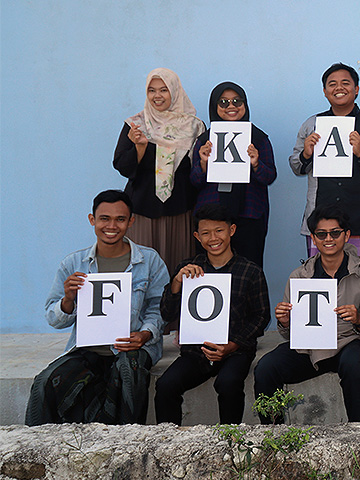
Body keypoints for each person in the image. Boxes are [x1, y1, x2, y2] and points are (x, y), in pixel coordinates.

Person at [26, 190, 169, 425]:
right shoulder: (73, 263)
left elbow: (159, 307)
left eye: (120, 219)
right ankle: (42, 444)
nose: (111, 226)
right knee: (45, 382)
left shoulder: (149, 260)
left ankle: (128, 441)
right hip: (86, 349)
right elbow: (53, 318)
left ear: (131, 221)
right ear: (92, 219)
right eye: (104, 218)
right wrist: (68, 299)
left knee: (128, 374)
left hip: (130, 349)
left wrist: (145, 334)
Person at [253, 205, 360, 423]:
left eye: (335, 233)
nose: (329, 239)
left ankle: (358, 431)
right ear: (313, 239)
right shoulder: (299, 276)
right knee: (266, 368)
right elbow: (290, 335)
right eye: (321, 234)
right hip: (309, 347)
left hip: (349, 342)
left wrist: (359, 320)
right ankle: (274, 434)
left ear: (346, 235)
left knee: (354, 364)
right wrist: (285, 322)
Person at [155, 203, 270, 425]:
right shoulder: (188, 269)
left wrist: (233, 345)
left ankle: (230, 438)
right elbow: (166, 313)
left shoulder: (251, 271)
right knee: (166, 385)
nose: (213, 238)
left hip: (235, 351)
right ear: (197, 237)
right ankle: (167, 439)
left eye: (219, 231)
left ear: (232, 230)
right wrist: (176, 282)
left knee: (228, 383)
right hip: (195, 352)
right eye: (206, 233)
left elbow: (261, 316)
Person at [291, 63, 360, 270]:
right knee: (321, 281)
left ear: (356, 89)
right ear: (324, 91)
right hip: (320, 224)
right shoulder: (312, 124)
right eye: (332, 84)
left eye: (345, 83)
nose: (339, 88)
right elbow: (295, 165)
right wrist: (306, 154)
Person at [114, 68, 206, 274]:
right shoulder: (136, 124)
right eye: (152, 90)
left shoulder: (194, 126)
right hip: (142, 210)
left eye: (164, 90)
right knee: (142, 270)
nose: (157, 96)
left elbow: (199, 172)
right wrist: (139, 147)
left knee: (179, 268)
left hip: (180, 210)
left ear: (175, 91)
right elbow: (122, 166)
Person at [190, 82, 277, 268]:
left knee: (249, 267)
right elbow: (194, 181)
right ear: (214, 106)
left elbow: (269, 177)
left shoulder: (259, 138)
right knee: (209, 269)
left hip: (249, 215)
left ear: (245, 105)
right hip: (212, 217)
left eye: (237, 101)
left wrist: (256, 164)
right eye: (223, 102)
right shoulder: (205, 140)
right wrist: (203, 163)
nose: (231, 106)